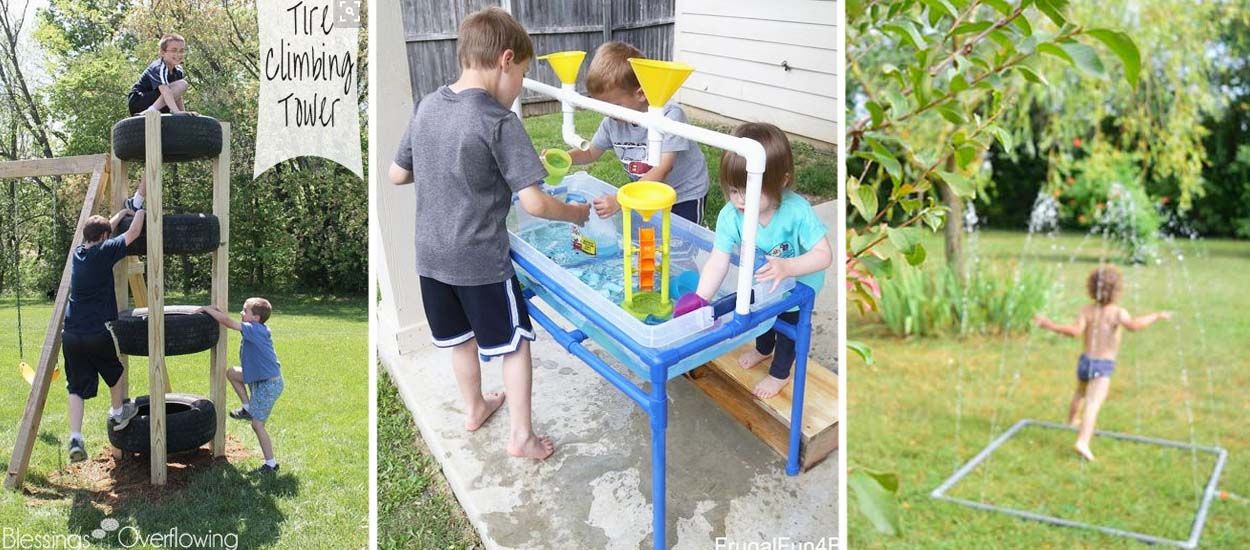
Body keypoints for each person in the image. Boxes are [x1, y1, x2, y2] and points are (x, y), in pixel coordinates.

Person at [387, 7, 590, 460]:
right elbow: (535, 201)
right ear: (505, 59)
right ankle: (521, 436)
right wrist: (576, 214)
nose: (518, 85)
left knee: (460, 339)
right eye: (520, 73)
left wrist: (446, 172)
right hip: (479, 260)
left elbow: (397, 174)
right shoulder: (499, 121)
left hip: (431, 257)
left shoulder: (427, 106)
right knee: (514, 344)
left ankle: (475, 407)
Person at [676, 122, 832, 399]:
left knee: (789, 331)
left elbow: (824, 255)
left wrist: (788, 267)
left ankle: (780, 373)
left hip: (799, 284)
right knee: (761, 316)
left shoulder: (797, 212)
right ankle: (763, 349)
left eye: (749, 191)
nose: (739, 200)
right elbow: (718, 260)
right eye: (734, 190)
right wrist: (701, 298)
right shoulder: (730, 215)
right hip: (762, 279)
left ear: (781, 182)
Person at [556, 41, 710, 224]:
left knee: (680, 243)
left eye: (614, 106)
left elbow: (663, 168)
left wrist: (621, 200)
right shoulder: (612, 122)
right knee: (645, 240)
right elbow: (590, 152)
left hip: (683, 194)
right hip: (643, 192)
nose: (607, 112)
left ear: (641, 94)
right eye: (601, 106)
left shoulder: (670, 115)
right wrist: (563, 158)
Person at [1035, 266, 1171, 461]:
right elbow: (1134, 326)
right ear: (1117, 291)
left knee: (1080, 392)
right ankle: (1083, 441)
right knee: (1093, 404)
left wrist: (1049, 324)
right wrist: (1156, 316)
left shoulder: (1086, 310)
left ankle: (1071, 420)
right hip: (1102, 366)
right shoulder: (1117, 312)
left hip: (1085, 362)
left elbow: (1074, 331)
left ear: (1090, 288)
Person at [63, 207, 146, 462]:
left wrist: (119, 214)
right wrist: (141, 210)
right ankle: (119, 411)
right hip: (97, 330)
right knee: (115, 371)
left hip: (71, 333)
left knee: (76, 387)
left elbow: (101, 229)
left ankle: (75, 437)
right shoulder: (105, 251)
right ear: (103, 237)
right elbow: (133, 233)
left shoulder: (78, 252)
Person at [201, 298, 284, 474]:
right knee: (231, 373)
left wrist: (207, 310)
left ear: (255, 317)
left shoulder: (254, 329)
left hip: (269, 384)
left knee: (257, 425)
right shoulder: (255, 327)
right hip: (258, 377)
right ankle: (247, 408)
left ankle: (271, 464)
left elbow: (228, 322)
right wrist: (218, 310)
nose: (241, 312)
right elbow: (228, 319)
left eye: (245, 311)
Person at [128, 33, 190, 116]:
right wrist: (176, 112)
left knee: (180, 85)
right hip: (139, 101)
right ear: (162, 52)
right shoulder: (159, 67)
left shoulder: (178, 70)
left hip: (158, 101)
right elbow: (165, 91)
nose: (178, 54)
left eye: (181, 51)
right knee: (183, 84)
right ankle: (150, 111)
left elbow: (178, 94)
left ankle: (153, 109)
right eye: (174, 50)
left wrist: (183, 114)